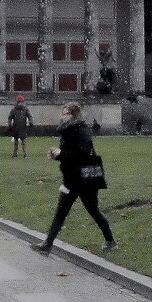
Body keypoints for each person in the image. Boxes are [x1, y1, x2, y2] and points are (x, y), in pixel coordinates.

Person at [31, 102, 116, 256]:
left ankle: (110, 240)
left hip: (84, 180)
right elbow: (70, 154)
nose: (62, 116)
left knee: (93, 211)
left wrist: (61, 154)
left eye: (65, 114)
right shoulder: (68, 130)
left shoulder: (81, 130)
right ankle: (47, 244)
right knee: (61, 212)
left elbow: (82, 153)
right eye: (62, 113)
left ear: (73, 115)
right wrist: (57, 155)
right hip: (72, 179)